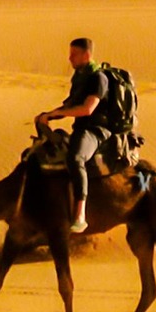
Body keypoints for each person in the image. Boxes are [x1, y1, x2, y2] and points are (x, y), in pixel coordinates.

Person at [34, 36, 110, 234]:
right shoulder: (80, 77)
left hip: (96, 130)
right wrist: (48, 115)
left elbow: (87, 109)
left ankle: (80, 214)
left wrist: (58, 113)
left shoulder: (98, 78)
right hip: (81, 128)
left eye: (74, 54)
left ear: (86, 55)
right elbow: (70, 104)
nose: (70, 58)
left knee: (75, 158)